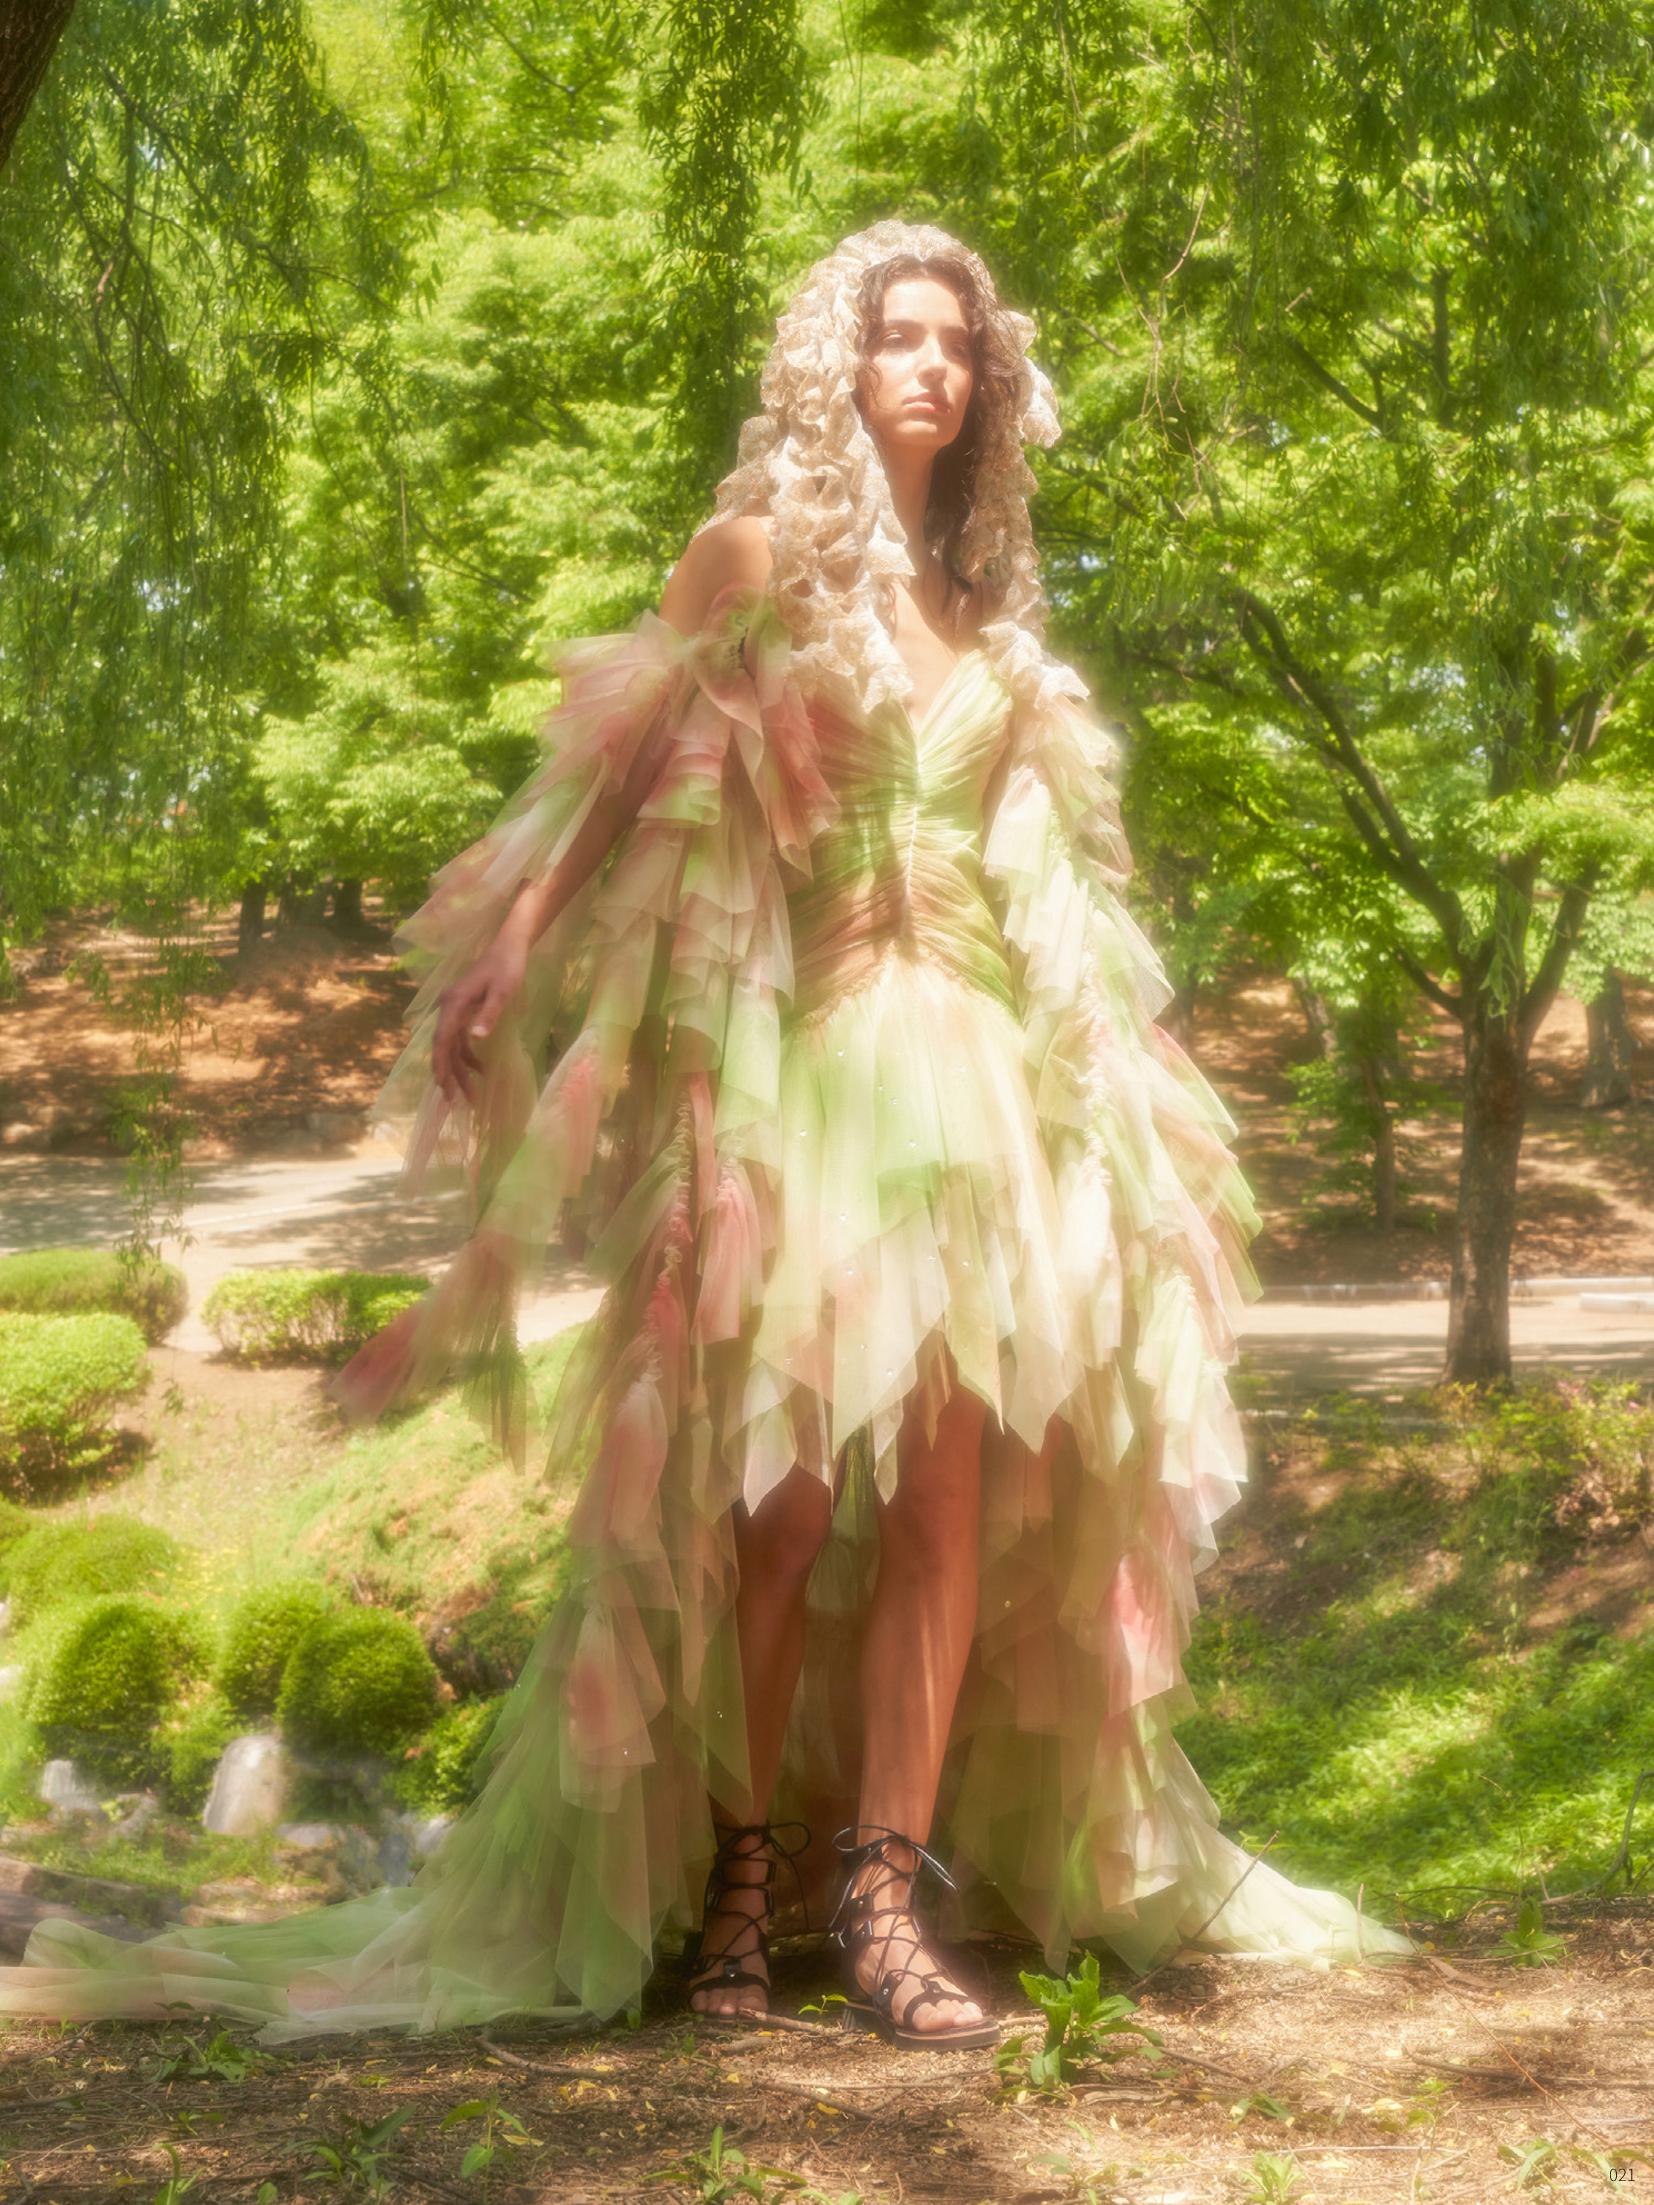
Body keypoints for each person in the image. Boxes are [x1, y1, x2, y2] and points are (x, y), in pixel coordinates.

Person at [0, 221, 1414, 2052]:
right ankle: (746, 1880)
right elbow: (614, 777)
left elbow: (1056, 894)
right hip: (808, 1077)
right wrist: (509, 945)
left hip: (979, 1083)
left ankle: (883, 1900)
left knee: (948, 1504)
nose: (930, 364)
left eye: (957, 344)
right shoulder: (752, 560)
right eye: (897, 335)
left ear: (987, 388)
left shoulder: (989, 616)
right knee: (780, 1506)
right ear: (840, 363)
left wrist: (1123, 1090)